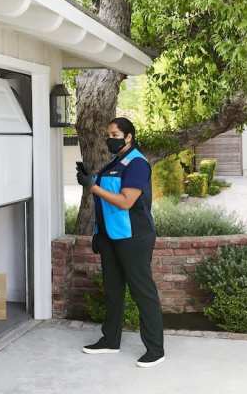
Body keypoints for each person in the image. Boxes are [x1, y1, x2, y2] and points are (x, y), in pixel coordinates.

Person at [75, 117, 165, 368]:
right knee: (113, 291)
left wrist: (92, 187)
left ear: (129, 137)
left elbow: (125, 201)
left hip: (133, 238)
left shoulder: (137, 164)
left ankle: (156, 349)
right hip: (110, 238)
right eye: (109, 134)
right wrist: (90, 178)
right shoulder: (116, 162)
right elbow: (105, 201)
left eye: (115, 134)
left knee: (142, 292)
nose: (110, 139)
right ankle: (110, 340)